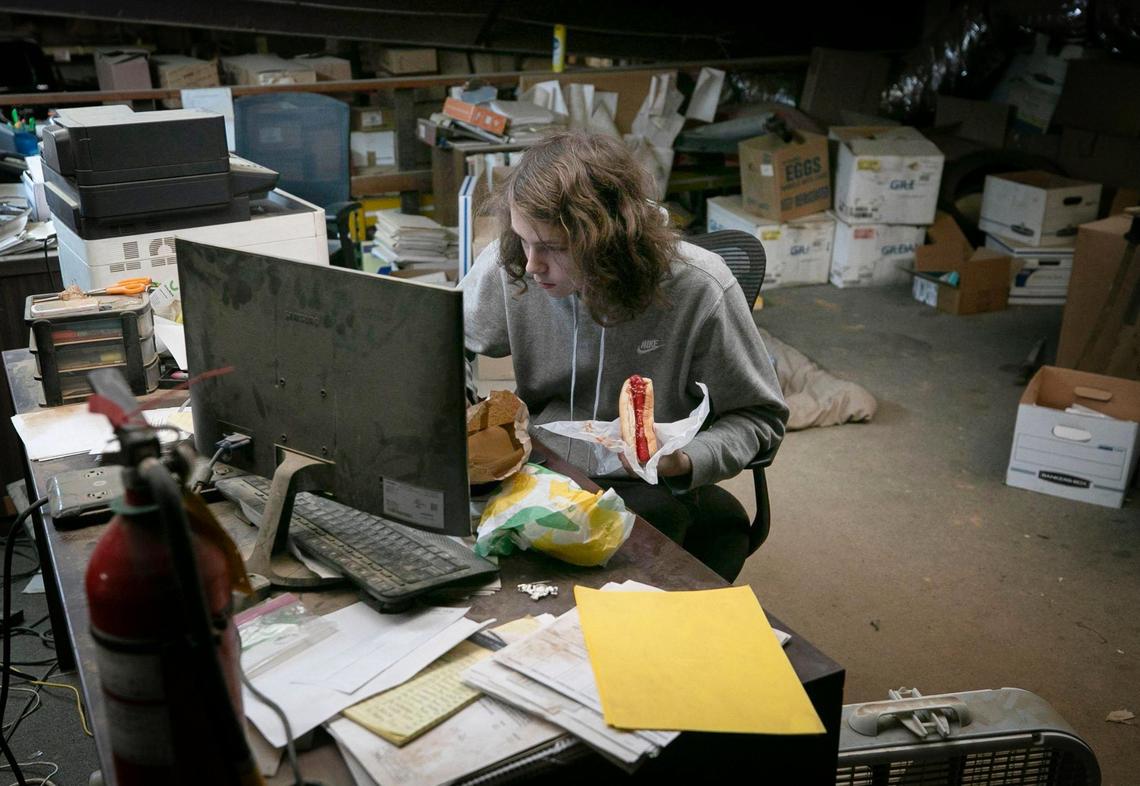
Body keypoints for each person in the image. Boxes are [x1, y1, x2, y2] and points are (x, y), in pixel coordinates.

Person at [463, 131, 788, 580]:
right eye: (523, 240)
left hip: (645, 481)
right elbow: (439, 346)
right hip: (538, 463)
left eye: (555, 248)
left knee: (614, 585)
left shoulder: (700, 287)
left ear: (607, 243)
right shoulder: (516, 260)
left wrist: (683, 459)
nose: (532, 264)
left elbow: (759, 419)